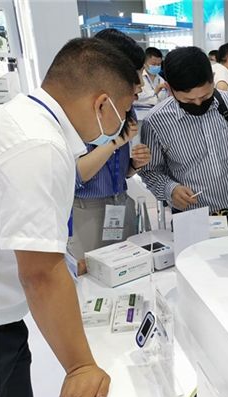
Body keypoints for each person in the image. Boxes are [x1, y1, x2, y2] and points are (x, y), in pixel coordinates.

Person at [0, 37, 138, 397]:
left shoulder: (21, 118)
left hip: (4, 314)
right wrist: (80, 366)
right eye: (124, 110)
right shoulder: (40, 146)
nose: (123, 123)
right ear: (102, 104)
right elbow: (39, 272)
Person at [140, 46, 228, 229]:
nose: (197, 103)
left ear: (212, 79)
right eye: (188, 100)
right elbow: (150, 171)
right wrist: (170, 189)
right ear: (170, 89)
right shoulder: (156, 122)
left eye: (205, 97)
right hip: (190, 217)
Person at [69, 28, 152, 261]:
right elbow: (76, 175)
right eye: (136, 74)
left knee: (127, 269)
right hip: (86, 210)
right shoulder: (79, 112)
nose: (140, 84)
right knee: (88, 274)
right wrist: (115, 142)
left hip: (120, 202)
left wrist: (134, 165)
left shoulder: (124, 107)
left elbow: (121, 171)